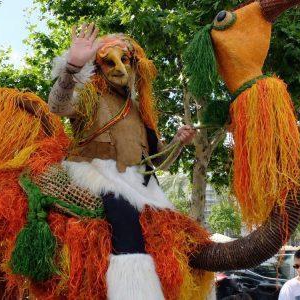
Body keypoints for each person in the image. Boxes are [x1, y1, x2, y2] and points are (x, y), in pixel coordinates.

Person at [48, 23, 195, 297]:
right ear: (98, 66)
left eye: (124, 60)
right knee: (126, 223)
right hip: (99, 176)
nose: (119, 68)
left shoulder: (140, 110)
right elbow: (57, 106)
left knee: (177, 229)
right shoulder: (89, 95)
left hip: (141, 184)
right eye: (109, 61)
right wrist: (71, 68)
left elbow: (158, 163)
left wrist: (178, 142)